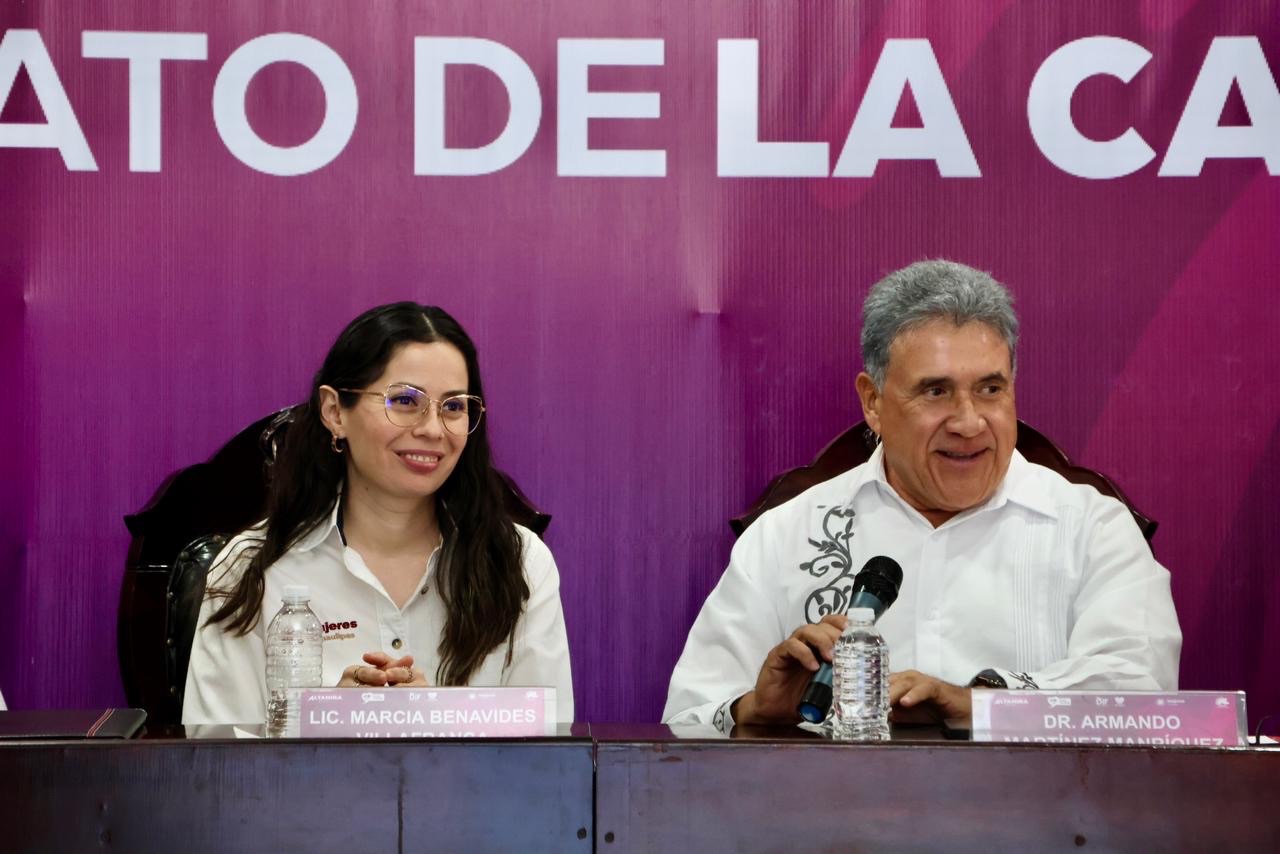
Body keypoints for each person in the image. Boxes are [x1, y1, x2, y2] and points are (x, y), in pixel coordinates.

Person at [663, 260, 1181, 731]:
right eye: (936, 391)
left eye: (990, 389)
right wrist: (755, 710)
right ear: (873, 402)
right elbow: (686, 721)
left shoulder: (1093, 530)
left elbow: (1142, 695)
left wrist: (974, 704)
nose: (969, 422)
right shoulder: (786, 535)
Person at [184, 303, 573, 725]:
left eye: (453, 406)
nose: (433, 429)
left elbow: (548, 753)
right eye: (404, 400)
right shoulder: (249, 570)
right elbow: (217, 760)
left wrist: (436, 724)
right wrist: (325, 727)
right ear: (335, 412)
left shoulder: (520, 562)